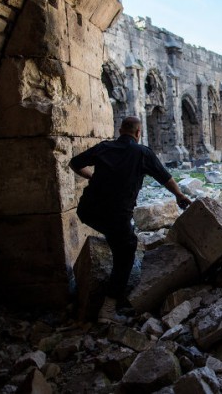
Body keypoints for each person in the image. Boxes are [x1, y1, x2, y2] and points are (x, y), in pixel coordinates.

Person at [70, 116, 191, 323]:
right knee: (126, 249)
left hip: (87, 211)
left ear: (120, 130)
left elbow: (74, 163)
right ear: (138, 133)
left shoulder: (104, 147)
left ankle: (112, 243)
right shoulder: (142, 153)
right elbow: (165, 177)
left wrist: (92, 177)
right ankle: (107, 310)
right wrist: (179, 195)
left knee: (115, 235)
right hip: (117, 215)